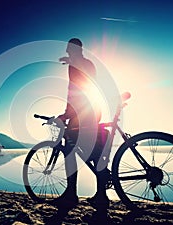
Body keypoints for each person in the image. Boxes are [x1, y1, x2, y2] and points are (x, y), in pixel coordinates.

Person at [53, 38, 110, 210]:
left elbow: (77, 89)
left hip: (84, 112)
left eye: (70, 49)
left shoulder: (80, 65)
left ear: (75, 49)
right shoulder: (84, 63)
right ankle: (101, 195)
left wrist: (67, 114)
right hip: (90, 111)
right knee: (95, 153)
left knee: (71, 151)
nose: (68, 52)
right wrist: (67, 113)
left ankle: (71, 194)